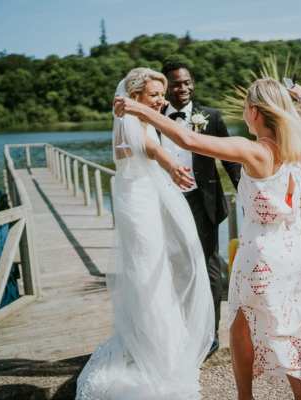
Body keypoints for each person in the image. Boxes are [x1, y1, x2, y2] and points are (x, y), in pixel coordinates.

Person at [114, 77, 301, 400]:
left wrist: (140, 109)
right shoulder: (298, 144)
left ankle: (244, 398)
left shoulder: (254, 151)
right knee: (292, 324)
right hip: (294, 254)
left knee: (239, 327)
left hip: (260, 255)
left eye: (244, 109)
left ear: (253, 111)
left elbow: (187, 139)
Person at [76, 68, 215, 400]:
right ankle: (154, 352)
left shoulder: (139, 120)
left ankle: (155, 344)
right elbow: (149, 148)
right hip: (137, 204)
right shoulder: (131, 123)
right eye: (154, 94)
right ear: (134, 95)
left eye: (161, 94)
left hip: (141, 199)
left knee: (155, 271)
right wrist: (171, 165)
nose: (161, 100)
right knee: (146, 271)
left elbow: (149, 146)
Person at [159, 61, 241, 355]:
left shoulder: (211, 116)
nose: (183, 88)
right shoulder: (154, 118)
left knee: (209, 267)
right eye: (176, 84)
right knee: (172, 267)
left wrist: (245, 191)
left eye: (187, 82)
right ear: (165, 87)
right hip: (165, 205)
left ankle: (210, 335)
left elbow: (230, 158)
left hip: (202, 203)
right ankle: (178, 329)